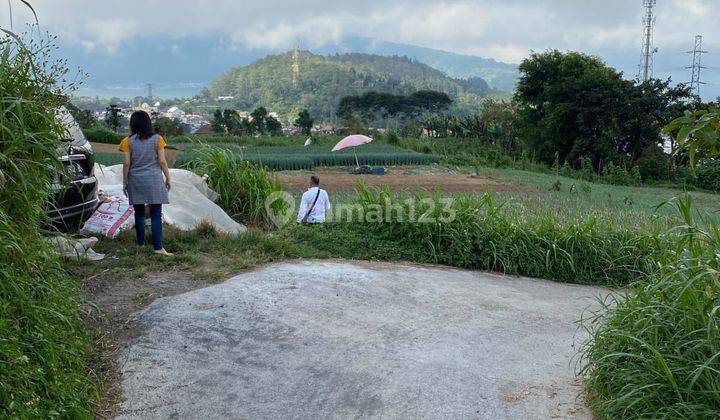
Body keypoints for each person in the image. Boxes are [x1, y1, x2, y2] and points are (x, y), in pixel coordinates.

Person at [119, 111, 173, 256]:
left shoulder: (127, 141)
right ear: (148, 123)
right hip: (154, 179)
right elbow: (162, 161)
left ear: (133, 124)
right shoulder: (158, 139)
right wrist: (168, 177)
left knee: (139, 213)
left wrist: (125, 182)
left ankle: (141, 244)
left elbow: (126, 163)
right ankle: (158, 248)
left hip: (135, 180)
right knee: (156, 213)